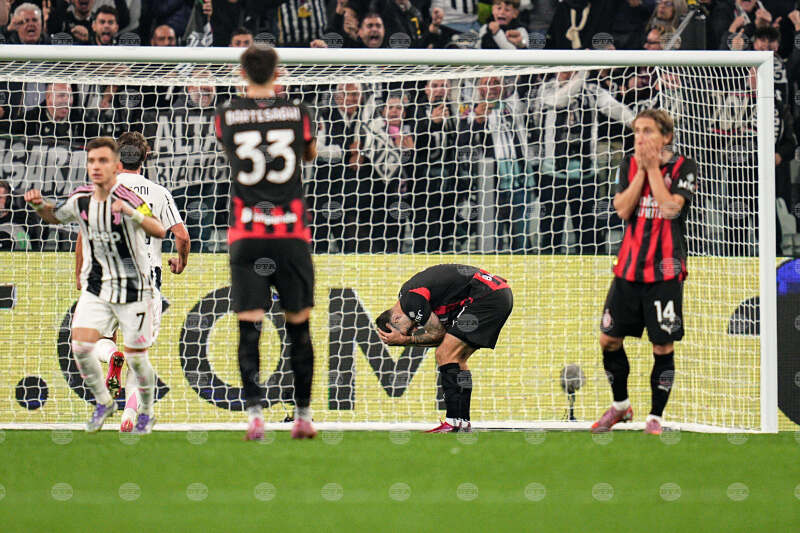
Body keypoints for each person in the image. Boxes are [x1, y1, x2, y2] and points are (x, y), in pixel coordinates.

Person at [24, 137, 166, 434]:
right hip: (99, 287)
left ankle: (134, 414)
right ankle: (108, 398)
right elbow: (56, 217)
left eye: (102, 161)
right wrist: (39, 206)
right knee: (80, 345)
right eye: (91, 161)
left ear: (116, 165)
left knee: (136, 358)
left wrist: (132, 214)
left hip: (134, 288)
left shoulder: (128, 197)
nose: (96, 167)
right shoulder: (81, 198)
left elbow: (158, 229)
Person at [215, 45, 319, 440]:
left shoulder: (226, 114)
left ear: (242, 73)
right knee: (298, 327)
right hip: (290, 234)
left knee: (249, 327)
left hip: (247, 235)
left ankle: (255, 416)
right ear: (279, 73)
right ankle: (303, 417)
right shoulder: (298, 112)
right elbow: (309, 154)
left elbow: (233, 153)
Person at [75, 131, 190, 431]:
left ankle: (111, 354)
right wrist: (180, 262)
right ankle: (129, 416)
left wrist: (79, 274)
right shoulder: (159, 193)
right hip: (145, 283)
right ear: (145, 158)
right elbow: (182, 236)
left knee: (90, 341)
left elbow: (82, 237)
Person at [592, 109, 697, 435]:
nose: (640, 137)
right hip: (628, 268)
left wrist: (652, 169)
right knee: (608, 339)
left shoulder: (684, 167)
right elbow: (623, 209)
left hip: (665, 271)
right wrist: (642, 171)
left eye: (648, 131)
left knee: (662, 346)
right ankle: (621, 406)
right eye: (637, 131)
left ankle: (655, 417)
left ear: (666, 136)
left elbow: (669, 209)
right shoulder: (628, 165)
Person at [376, 264, 513, 432]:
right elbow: (439, 337)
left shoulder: (411, 301)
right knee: (457, 360)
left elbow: (438, 334)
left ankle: (453, 422)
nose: (414, 329)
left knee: (444, 353)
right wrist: (408, 339)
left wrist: (405, 340)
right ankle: (462, 422)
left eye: (407, 330)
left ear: (396, 318)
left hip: (486, 296)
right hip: (495, 293)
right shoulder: (410, 298)